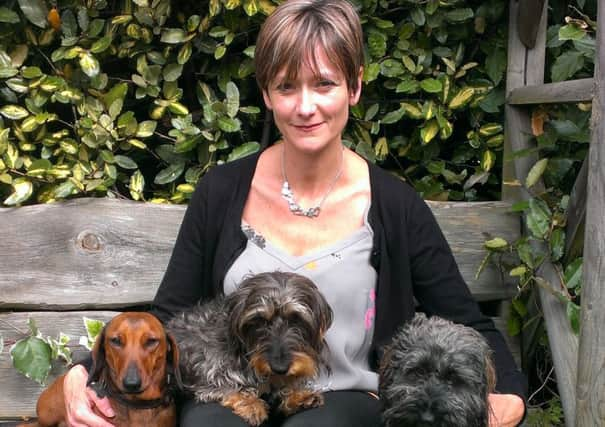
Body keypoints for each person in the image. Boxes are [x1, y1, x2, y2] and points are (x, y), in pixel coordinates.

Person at [61, 0, 527, 425]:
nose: (305, 106)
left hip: (346, 398)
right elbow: (166, 315)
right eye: (287, 86)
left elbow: (466, 321)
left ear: (355, 86)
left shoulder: (395, 206)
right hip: (234, 392)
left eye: (324, 84)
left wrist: (511, 395)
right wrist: (83, 371)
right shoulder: (221, 191)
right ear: (267, 93)